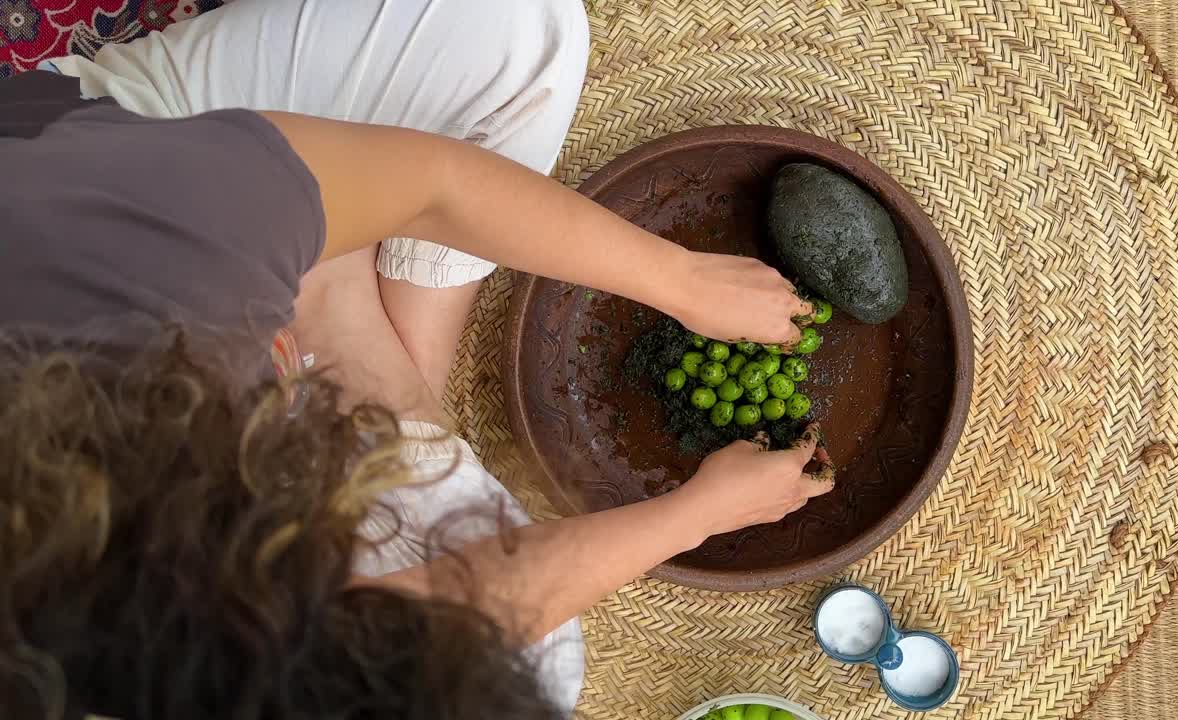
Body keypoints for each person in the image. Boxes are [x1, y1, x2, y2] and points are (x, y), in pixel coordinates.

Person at [0, 0, 835, 717]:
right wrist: (692, 515)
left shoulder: (158, 245)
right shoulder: (205, 648)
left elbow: (437, 185)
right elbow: (387, 643)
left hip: (137, 157)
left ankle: (333, 285)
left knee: (521, 30)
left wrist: (682, 280)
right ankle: (342, 300)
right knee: (548, 662)